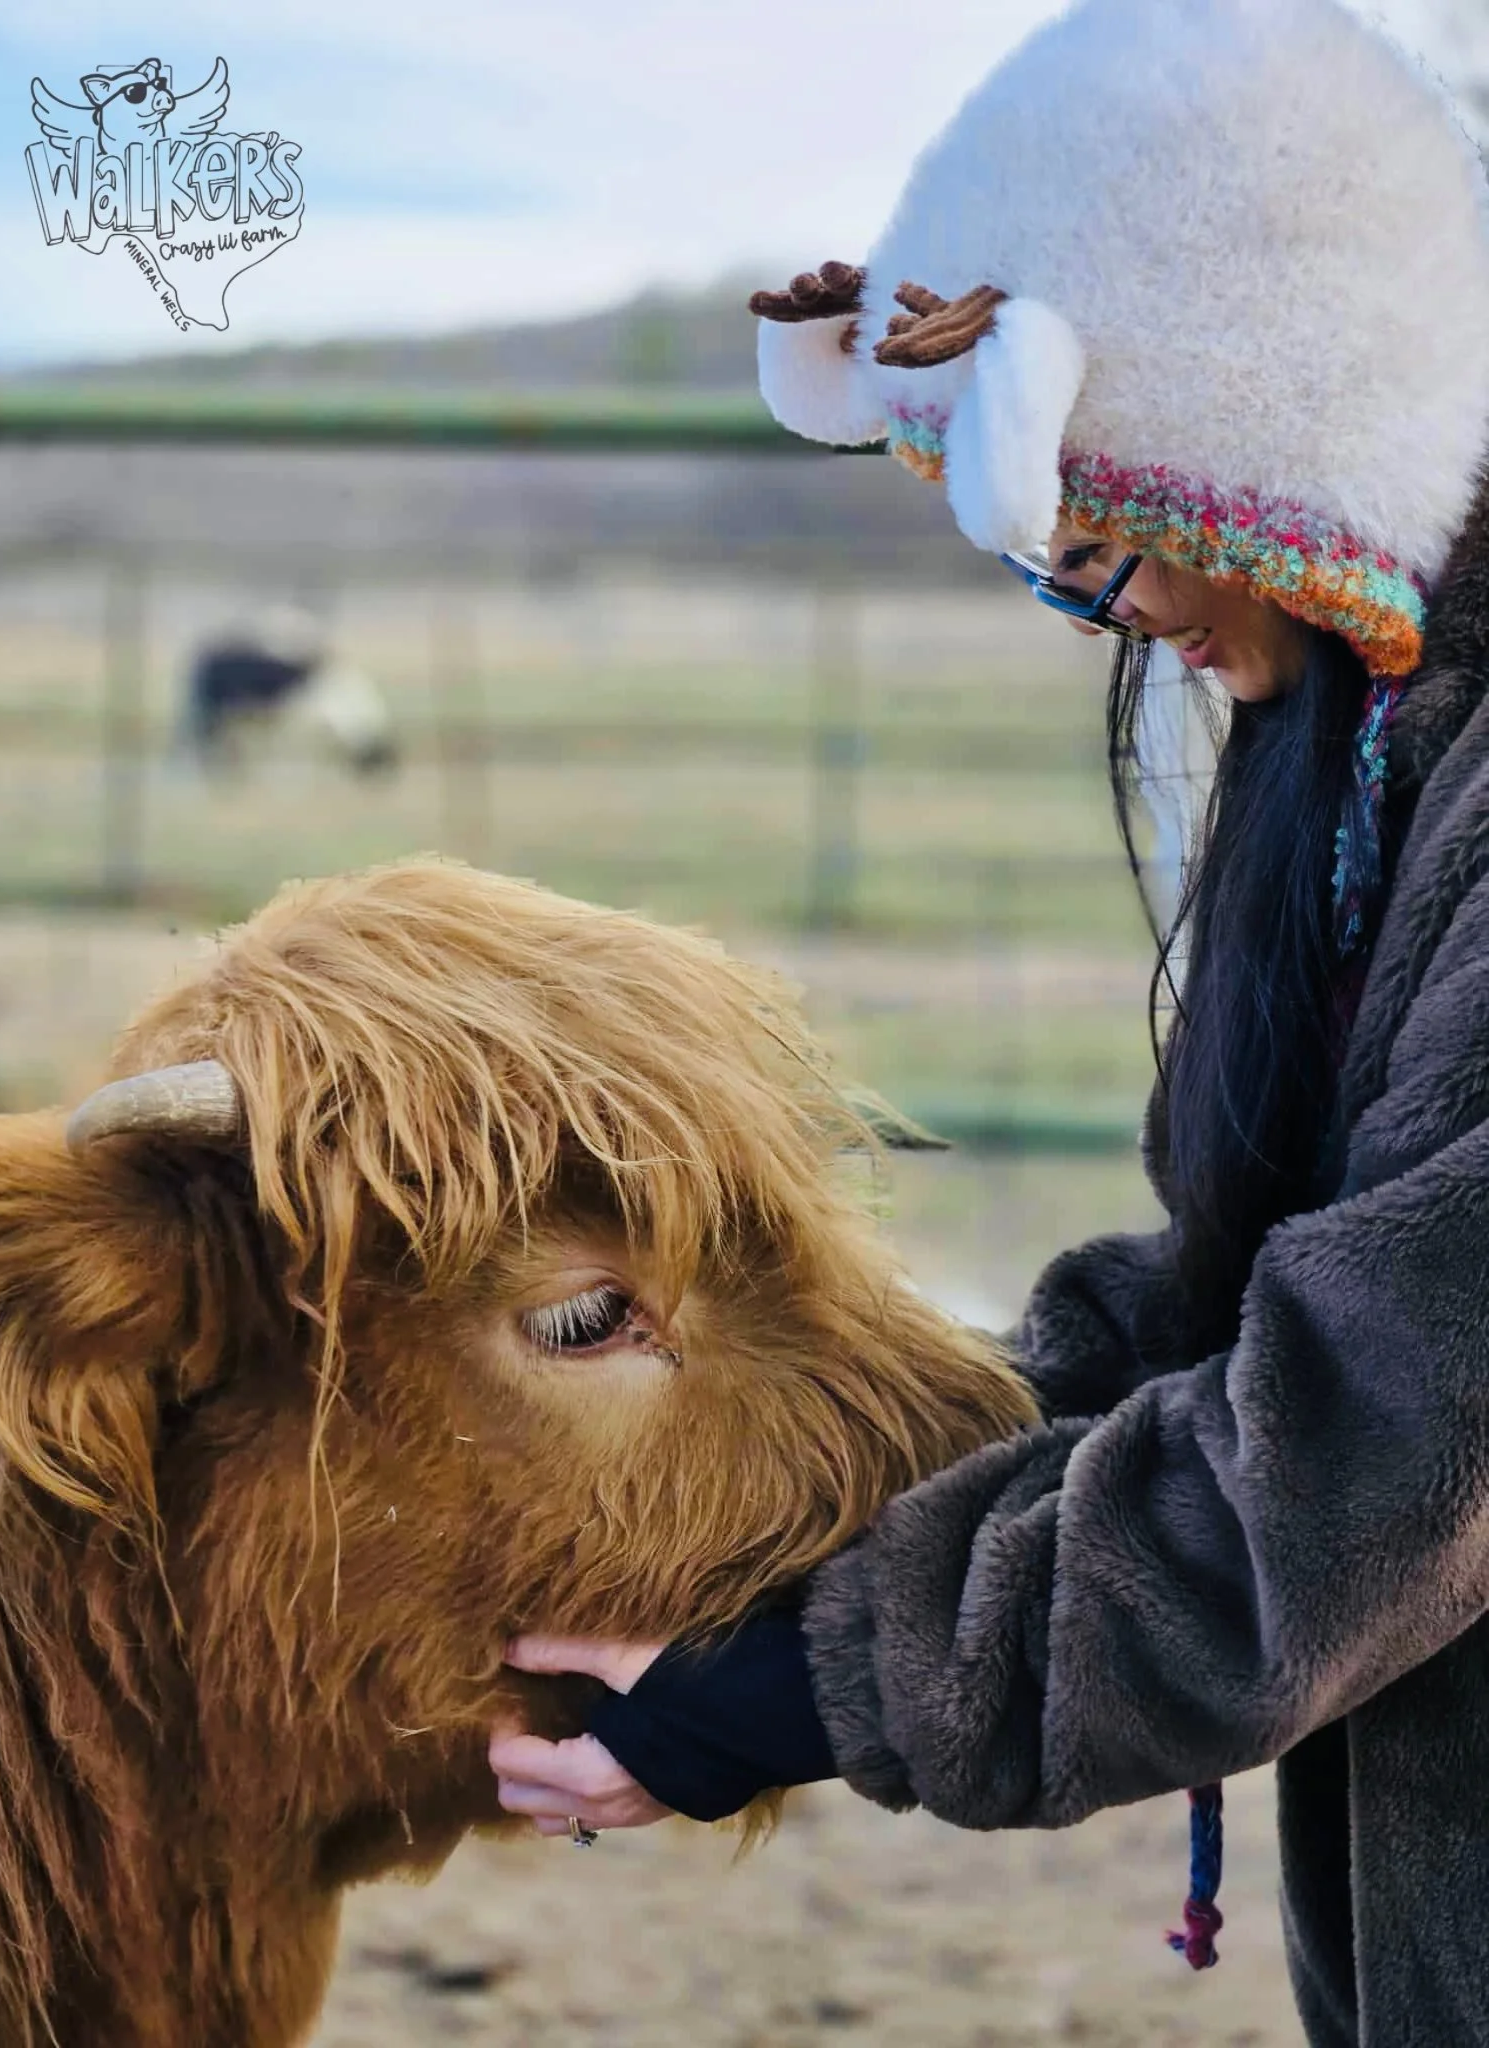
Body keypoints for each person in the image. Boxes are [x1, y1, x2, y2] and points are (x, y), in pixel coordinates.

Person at [488, 2, 1489, 2038]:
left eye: (1105, 546)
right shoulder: (1397, 742)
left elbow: (1371, 1434)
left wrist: (819, 1676)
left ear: (1272, 444)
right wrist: (838, 1476)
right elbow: (1264, 1280)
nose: (1110, 615)